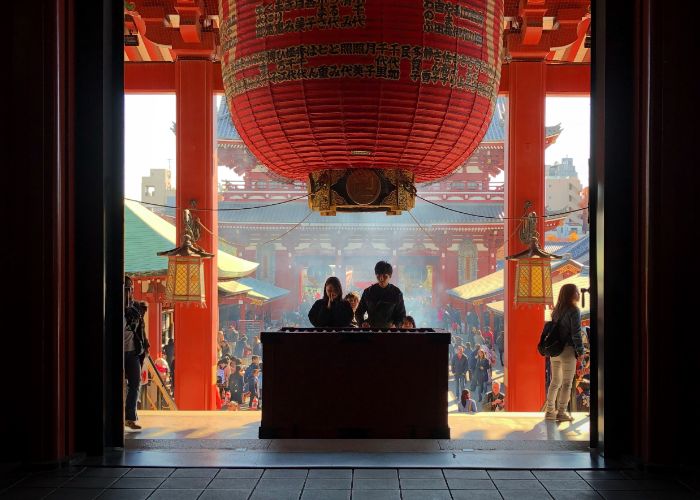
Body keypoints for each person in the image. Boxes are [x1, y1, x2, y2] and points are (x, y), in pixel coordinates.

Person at [545, 284, 586, 422]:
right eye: (576, 291)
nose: (579, 294)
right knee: (567, 383)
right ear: (571, 294)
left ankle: (549, 411)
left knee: (555, 381)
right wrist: (581, 351)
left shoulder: (557, 310)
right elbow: (576, 334)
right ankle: (561, 412)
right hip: (568, 350)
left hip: (555, 351)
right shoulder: (574, 310)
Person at [123, 276, 146, 430]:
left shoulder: (135, 308)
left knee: (135, 383)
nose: (128, 292)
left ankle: (130, 417)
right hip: (115, 353)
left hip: (132, 351)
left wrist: (146, 347)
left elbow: (141, 331)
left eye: (130, 289)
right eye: (126, 289)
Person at [356, 261, 406, 328]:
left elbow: (401, 315)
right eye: (378, 276)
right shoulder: (368, 292)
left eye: (385, 276)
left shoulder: (396, 293)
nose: (381, 279)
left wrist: (396, 325)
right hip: (371, 330)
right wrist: (362, 323)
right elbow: (358, 312)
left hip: (390, 331)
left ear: (390, 276)